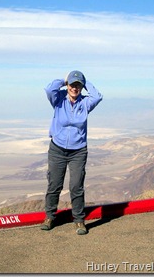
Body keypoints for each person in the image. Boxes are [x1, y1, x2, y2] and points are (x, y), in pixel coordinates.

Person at [41, 70, 103, 235]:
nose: (74, 88)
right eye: (72, 84)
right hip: (57, 149)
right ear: (67, 85)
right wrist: (64, 79)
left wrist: (85, 80)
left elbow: (97, 96)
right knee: (54, 184)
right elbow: (49, 89)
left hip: (78, 151)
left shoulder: (85, 103)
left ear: (82, 87)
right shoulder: (58, 99)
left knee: (76, 186)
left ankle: (79, 221)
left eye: (78, 85)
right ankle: (50, 217)